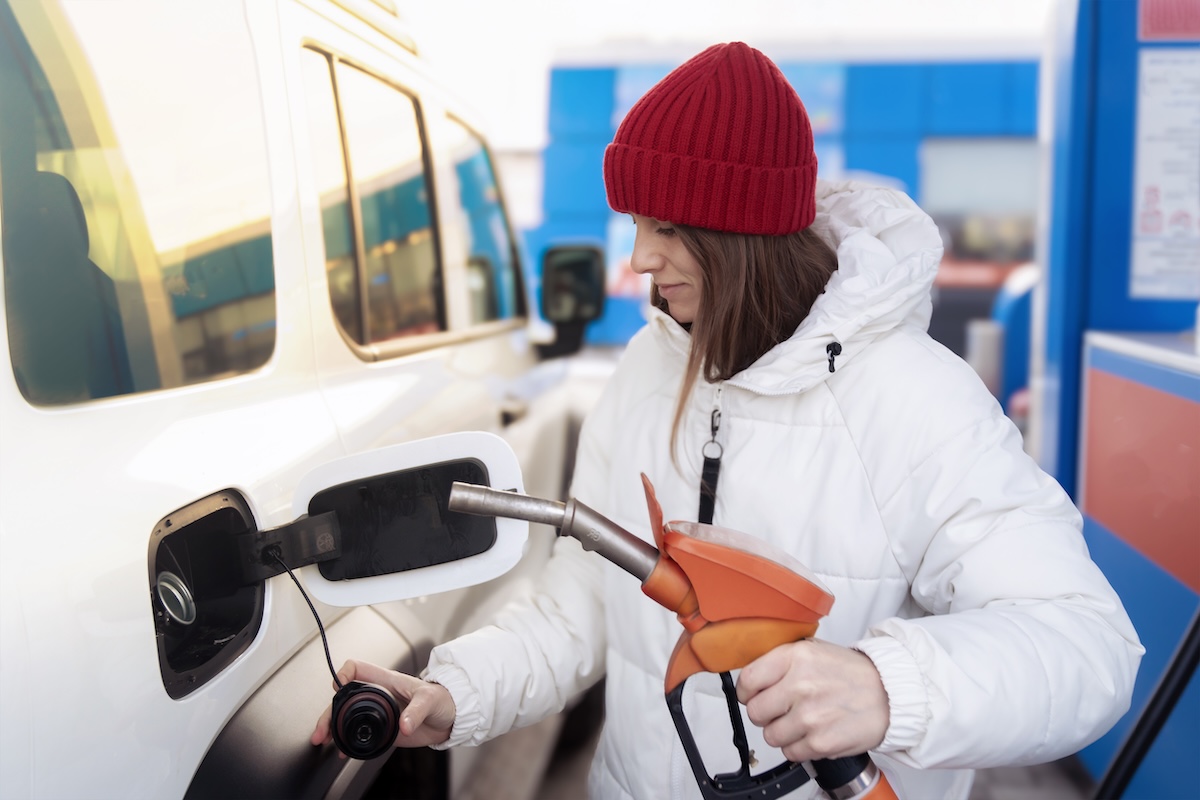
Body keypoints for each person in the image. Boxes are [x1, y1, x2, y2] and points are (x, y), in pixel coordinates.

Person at [312, 42, 1142, 799]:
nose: (638, 257)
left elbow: (1086, 647)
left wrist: (891, 687)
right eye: (636, 223)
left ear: (741, 234)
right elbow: (582, 609)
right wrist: (455, 692)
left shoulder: (917, 405)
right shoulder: (647, 372)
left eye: (666, 228)